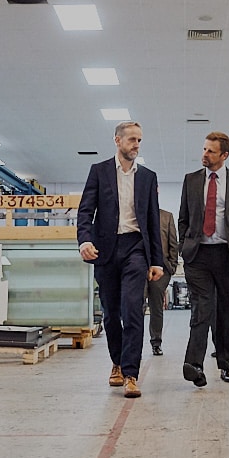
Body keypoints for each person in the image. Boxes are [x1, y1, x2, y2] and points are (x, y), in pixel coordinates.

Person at [77, 121, 164, 398]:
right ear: (117, 141)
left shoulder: (148, 176)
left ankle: (131, 373)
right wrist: (85, 241)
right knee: (112, 313)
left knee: (132, 310)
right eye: (132, 140)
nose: (137, 145)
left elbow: (152, 220)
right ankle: (116, 361)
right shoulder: (99, 171)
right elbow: (85, 211)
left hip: (135, 248)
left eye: (139, 140)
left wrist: (157, 260)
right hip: (106, 249)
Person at [179, 131, 229, 387]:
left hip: (228, 256)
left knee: (226, 312)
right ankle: (194, 365)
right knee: (202, 308)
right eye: (204, 149)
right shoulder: (190, 180)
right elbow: (183, 217)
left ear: (224, 155)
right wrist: (184, 245)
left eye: (211, 151)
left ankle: (225, 365)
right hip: (198, 255)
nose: (204, 154)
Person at [146, 207, 178, 356]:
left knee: (156, 307)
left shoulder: (167, 216)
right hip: (139, 266)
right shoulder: (136, 213)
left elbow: (173, 242)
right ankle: (134, 344)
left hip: (162, 269)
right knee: (136, 306)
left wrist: (172, 265)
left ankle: (156, 342)